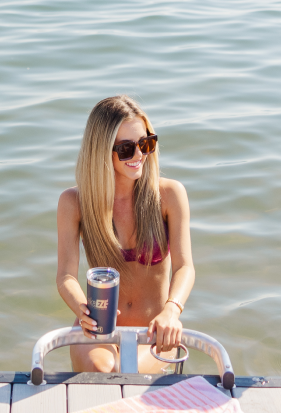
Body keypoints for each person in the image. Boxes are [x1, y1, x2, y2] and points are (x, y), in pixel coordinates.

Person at [56, 95, 194, 373]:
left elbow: (185, 267)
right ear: (101, 151)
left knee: (125, 372)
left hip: (153, 331)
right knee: (102, 369)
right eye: (127, 149)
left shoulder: (169, 195)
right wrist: (82, 308)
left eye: (146, 143)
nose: (140, 155)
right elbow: (66, 276)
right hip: (97, 328)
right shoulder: (75, 203)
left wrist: (172, 310)